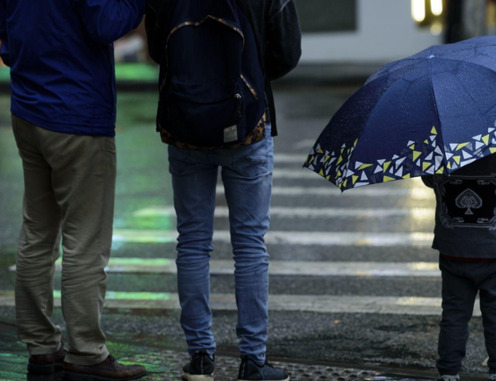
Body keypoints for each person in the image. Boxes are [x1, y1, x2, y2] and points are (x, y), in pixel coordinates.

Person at [144, 0, 301, 380]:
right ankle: (252, 361)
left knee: (193, 241)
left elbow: (155, 50)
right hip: (246, 125)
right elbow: (286, 54)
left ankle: (200, 359)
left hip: (184, 126)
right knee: (249, 245)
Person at [0, 0, 146, 379]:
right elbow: (105, 23)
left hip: (28, 109)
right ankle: (87, 355)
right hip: (77, 112)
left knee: (37, 231)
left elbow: (6, 34)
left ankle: (41, 348)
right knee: (85, 239)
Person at [422, 147, 496, 381]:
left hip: (455, 251)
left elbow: (429, 180)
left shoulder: (438, 153)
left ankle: (448, 371)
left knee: (454, 314)